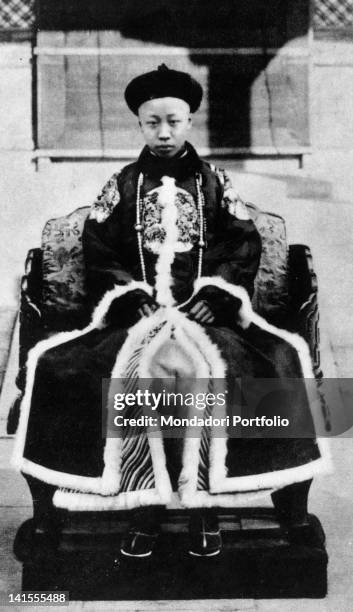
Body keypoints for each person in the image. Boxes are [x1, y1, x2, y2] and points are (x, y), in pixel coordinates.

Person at [12, 65, 329, 559]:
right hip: (136, 316)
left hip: (207, 315)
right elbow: (100, 249)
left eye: (174, 122)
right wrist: (129, 295)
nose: (163, 133)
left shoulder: (216, 183)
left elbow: (241, 245)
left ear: (189, 123)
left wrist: (218, 293)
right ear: (139, 124)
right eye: (152, 122)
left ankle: (207, 506)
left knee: (265, 361)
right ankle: (145, 507)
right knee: (69, 367)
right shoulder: (121, 184)